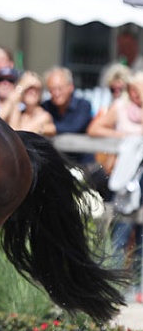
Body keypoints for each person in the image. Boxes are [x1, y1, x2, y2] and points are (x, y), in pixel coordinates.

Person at [87, 71, 143, 300]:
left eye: (138, 91)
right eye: (133, 91)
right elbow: (95, 129)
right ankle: (115, 285)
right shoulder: (121, 107)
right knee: (120, 231)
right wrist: (122, 136)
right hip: (125, 178)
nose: (135, 95)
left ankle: (139, 286)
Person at [42, 66, 93, 164]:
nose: (56, 93)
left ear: (71, 87)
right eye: (52, 89)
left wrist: (50, 128)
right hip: (55, 164)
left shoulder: (83, 105)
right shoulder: (46, 106)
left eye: (60, 88)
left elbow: (74, 127)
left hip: (83, 164)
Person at [4, 71, 56, 136]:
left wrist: (16, 99)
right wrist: (21, 87)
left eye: (37, 89)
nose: (33, 92)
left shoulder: (44, 116)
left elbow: (18, 134)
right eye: (29, 88)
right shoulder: (20, 113)